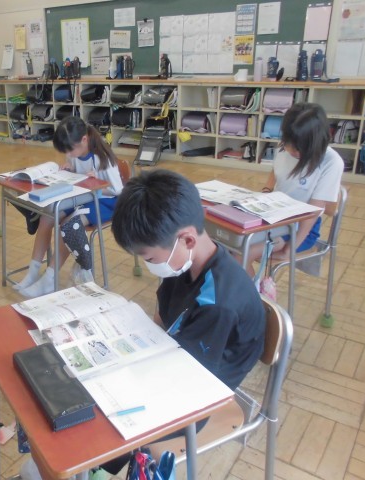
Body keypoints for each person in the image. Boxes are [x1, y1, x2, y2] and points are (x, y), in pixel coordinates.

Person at [98, 169, 266, 476]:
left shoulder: (218, 303)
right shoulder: (184, 262)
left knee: (106, 424)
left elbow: (189, 381)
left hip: (200, 390)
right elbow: (162, 318)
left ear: (187, 239)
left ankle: (98, 467)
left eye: (150, 258)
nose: (150, 265)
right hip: (178, 358)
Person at [16, 116, 123, 298]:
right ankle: (32, 272)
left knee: (68, 225)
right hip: (82, 196)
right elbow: (76, 173)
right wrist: (69, 170)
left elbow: (117, 189)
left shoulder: (103, 158)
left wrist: (95, 182)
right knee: (47, 217)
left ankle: (49, 279)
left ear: (84, 140)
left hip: (106, 201)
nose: (69, 154)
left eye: (70, 150)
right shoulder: (73, 151)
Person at [242, 102, 344, 276]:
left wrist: (292, 247)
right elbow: (276, 170)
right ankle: (251, 290)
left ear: (314, 143)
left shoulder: (331, 161)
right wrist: (266, 191)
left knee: (243, 253)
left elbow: (314, 211)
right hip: (274, 216)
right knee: (230, 245)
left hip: (300, 228)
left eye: (297, 147)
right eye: (288, 142)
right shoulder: (285, 148)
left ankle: (254, 293)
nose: (289, 149)